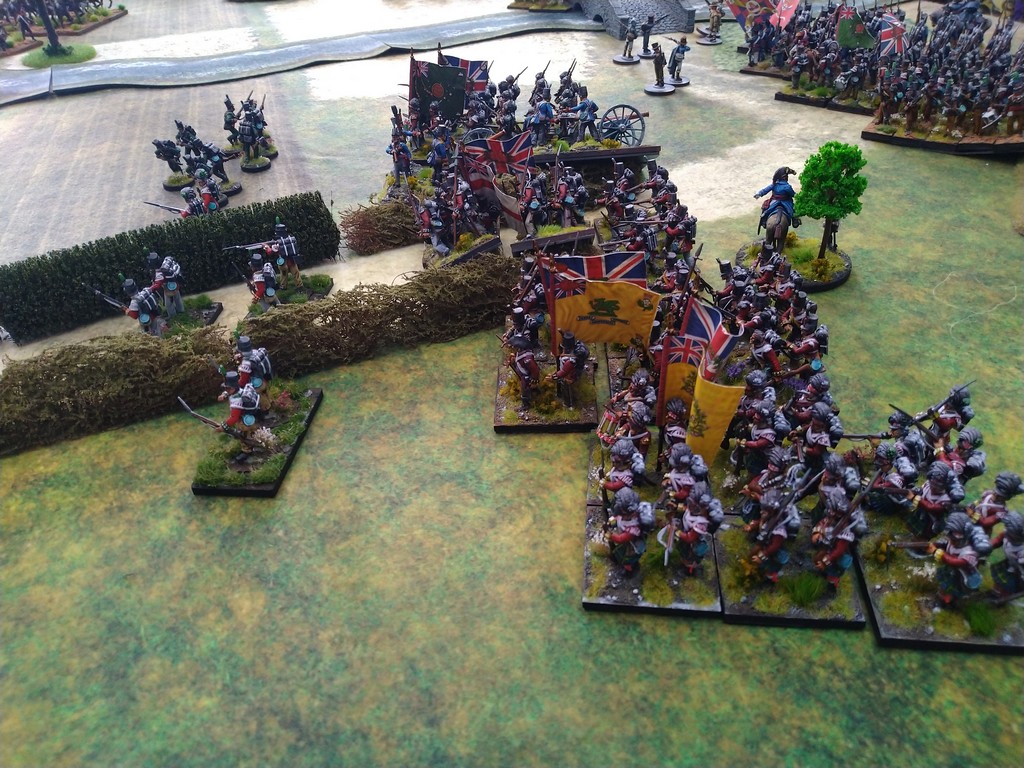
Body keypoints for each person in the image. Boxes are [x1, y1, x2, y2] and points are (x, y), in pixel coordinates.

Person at [930, 512, 992, 605]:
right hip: (953, 572)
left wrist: (936, 551)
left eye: (954, 539)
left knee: (953, 590)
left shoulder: (970, 553)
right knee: (945, 584)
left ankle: (947, 602)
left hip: (963, 577)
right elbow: (946, 544)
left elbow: (955, 562)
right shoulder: (953, 540)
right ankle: (942, 595)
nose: (951, 540)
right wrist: (935, 545)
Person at [749, 488, 802, 583]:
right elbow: (762, 524)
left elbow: (775, 546)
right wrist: (753, 526)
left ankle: (770, 577)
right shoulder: (768, 519)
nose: (761, 512)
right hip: (766, 543)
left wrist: (763, 555)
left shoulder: (779, 530)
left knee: (771, 566)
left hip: (774, 552)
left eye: (764, 511)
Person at [604, 488, 651, 576]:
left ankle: (629, 571)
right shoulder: (624, 515)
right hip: (627, 543)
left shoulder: (634, 527)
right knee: (620, 552)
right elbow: (619, 519)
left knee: (628, 560)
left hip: (633, 546)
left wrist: (611, 536)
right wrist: (613, 522)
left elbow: (621, 539)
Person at [216, 371, 262, 462]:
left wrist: (223, 426)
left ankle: (247, 451)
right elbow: (229, 392)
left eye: (227, 388)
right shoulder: (238, 391)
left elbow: (234, 418)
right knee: (252, 433)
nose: (226, 390)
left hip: (244, 420)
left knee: (244, 435)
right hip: (251, 417)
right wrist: (224, 395)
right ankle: (257, 440)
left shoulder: (237, 401)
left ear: (233, 388)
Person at [990, 511, 1024, 598]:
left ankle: (1005, 594)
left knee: (1009, 585)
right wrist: (987, 546)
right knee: (1000, 576)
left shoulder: (1021, 551)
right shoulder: (1007, 534)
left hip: (1019, 572)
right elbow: (997, 540)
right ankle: (997, 590)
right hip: (1010, 564)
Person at [754, 167, 798, 232]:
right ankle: (795, 220)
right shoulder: (787, 187)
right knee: (792, 210)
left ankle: (764, 220)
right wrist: (799, 196)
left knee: (767, 209)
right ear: (786, 177)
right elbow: (792, 194)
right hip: (786, 202)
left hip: (774, 201)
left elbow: (766, 190)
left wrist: (759, 194)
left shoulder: (774, 184)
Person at [506, 334, 539, 410]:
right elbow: (515, 356)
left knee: (525, 389)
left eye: (514, 346)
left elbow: (535, 370)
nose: (513, 347)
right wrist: (511, 359)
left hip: (527, 377)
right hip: (522, 374)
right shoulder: (519, 352)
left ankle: (526, 404)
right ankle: (534, 393)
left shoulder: (527, 359)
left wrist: (534, 381)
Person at [148, 252, 185, 319]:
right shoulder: (166, 262)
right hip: (175, 283)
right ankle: (181, 310)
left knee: (168, 304)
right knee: (177, 298)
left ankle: (172, 316)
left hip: (168, 288)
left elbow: (157, 284)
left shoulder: (159, 272)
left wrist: (150, 289)